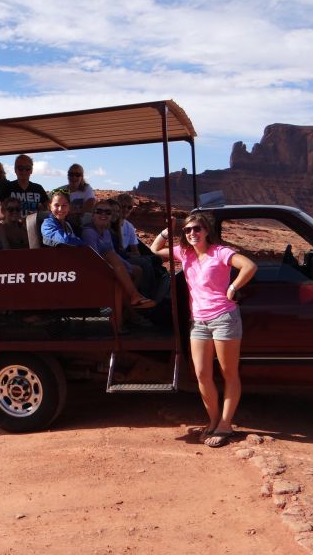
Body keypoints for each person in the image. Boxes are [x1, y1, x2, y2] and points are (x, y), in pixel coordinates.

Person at [151, 212, 257, 448]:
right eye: (188, 230)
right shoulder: (185, 253)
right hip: (198, 322)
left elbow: (249, 266)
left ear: (206, 230)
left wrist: (233, 287)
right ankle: (213, 420)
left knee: (228, 373)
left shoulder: (220, 252)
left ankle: (225, 424)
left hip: (224, 318)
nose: (192, 233)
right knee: (201, 374)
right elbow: (154, 250)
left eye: (197, 229)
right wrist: (170, 230)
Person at [42, 191, 155, 309]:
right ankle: (132, 304)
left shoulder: (69, 225)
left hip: (75, 264)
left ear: (69, 206)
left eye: (64, 205)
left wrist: (126, 267)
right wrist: (84, 245)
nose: (60, 208)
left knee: (131, 267)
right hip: (63, 268)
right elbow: (64, 240)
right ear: (50, 206)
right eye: (56, 205)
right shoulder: (49, 224)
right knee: (111, 256)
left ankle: (132, 304)